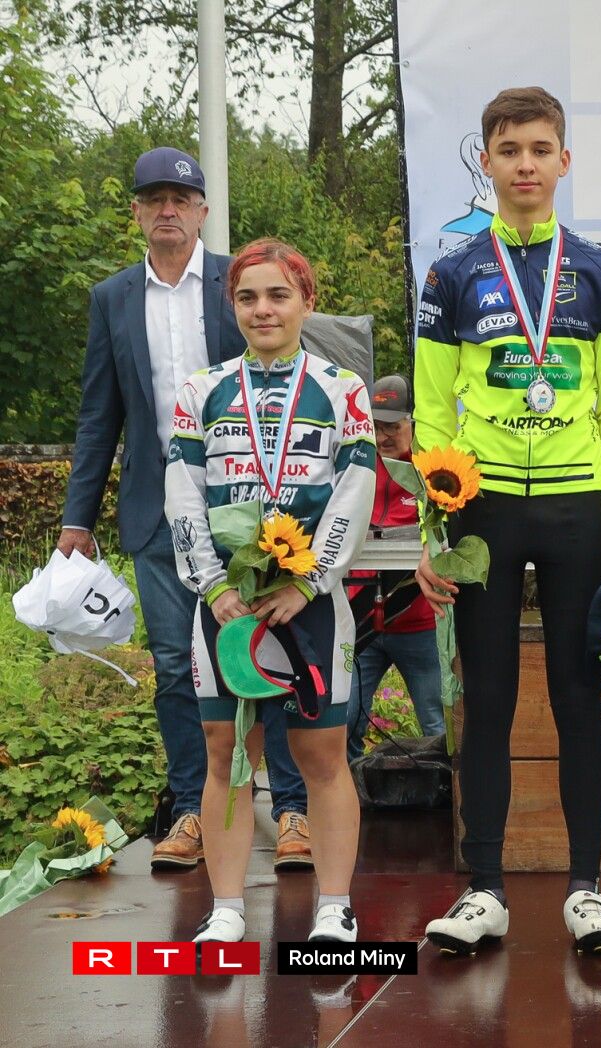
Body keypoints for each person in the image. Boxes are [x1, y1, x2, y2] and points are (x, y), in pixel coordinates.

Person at [413, 86, 601, 956]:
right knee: (487, 700)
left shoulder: (598, 270)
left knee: (578, 700)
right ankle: (485, 890)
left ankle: (586, 890)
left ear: (564, 160)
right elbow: (432, 410)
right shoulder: (451, 272)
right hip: (482, 508)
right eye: (509, 150)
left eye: (540, 149)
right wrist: (434, 530)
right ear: (486, 161)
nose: (525, 165)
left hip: (577, 506)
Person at [57, 147, 313, 873]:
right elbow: (98, 415)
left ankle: (291, 811)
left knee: (272, 657)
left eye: (180, 198)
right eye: (153, 199)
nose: (167, 210)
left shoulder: (242, 284)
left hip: (251, 508)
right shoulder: (111, 298)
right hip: (156, 515)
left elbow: (283, 373)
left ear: (202, 210)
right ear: (137, 212)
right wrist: (77, 518)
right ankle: (193, 811)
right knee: (176, 666)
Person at [165, 237, 376, 945]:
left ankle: (334, 909)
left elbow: (355, 489)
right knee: (225, 752)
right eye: (248, 297)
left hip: (307, 601)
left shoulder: (343, 390)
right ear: (233, 306)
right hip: (225, 601)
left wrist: (310, 582)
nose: (263, 309)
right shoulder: (201, 390)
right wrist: (214, 586)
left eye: (278, 295)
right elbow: (183, 492)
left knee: (321, 755)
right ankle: (227, 910)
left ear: (306, 302)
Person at [345, 375, 443, 761]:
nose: (383, 436)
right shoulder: (356, 466)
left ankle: (448, 794)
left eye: (392, 426)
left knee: (438, 723)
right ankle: (351, 794)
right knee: (344, 720)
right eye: (376, 426)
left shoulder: (434, 472)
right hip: (361, 621)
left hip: (420, 623)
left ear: (413, 423)